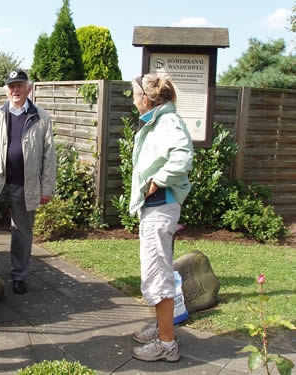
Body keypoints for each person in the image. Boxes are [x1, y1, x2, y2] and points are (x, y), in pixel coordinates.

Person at [129, 73, 193, 362]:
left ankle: (167, 345)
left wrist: (157, 180)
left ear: (146, 98)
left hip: (160, 206)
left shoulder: (167, 122)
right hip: (154, 208)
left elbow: (182, 156)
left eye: (135, 94)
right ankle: (162, 326)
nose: (133, 99)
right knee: (156, 271)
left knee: (157, 276)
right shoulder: (158, 121)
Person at [0, 69, 56, 295]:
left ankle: (19, 276)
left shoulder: (41, 117)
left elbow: (49, 156)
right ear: (6, 90)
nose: (15, 90)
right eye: (11, 86)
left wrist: (46, 188)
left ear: (29, 88)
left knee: (22, 231)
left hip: (26, 183)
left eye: (20, 85)